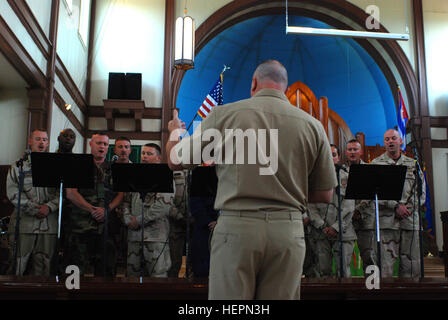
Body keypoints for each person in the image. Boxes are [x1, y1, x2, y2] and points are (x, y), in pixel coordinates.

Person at [166, 60, 336, 299]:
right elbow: (325, 194)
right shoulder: (313, 126)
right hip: (287, 231)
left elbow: (175, 160)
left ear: (254, 82)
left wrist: (174, 130)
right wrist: (287, 192)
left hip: (237, 229)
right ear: (285, 88)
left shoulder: (225, 115)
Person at [65, 133, 123, 276]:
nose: (102, 147)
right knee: (75, 270)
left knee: (106, 271)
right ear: (91, 144)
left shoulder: (114, 168)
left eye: (105, 144)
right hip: (80, 226)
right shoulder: (78, 165)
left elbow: (121, 194)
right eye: (98, 143)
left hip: (106, 227)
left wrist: (106, 210)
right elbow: (71, 193)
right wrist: (92, 209)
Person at [371, 129, 425, 277]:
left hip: (409, 221)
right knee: (385, 267)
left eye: (393, 138)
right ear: (384, 143)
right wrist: (394, 206)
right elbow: (372, 194)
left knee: (412, 267)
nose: (390, 142)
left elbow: (421, 193)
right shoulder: (376, 164)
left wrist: (406, 209)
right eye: (387, 139)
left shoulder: (413, 164)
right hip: (386, 222)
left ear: (400, 141)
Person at [7, 129, 59, 276]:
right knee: (17, 266)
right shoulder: (18, 166)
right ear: (30, 141)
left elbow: (62, 193)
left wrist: (49, 207)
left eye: (44, 139)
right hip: (24, 224)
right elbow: (12, 193)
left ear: (48, 143)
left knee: (43, 267)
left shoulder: (55, 167)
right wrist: (35, 209)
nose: (41, 142)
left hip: (48, 225)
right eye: (37, 139)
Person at [121, 143, 178, 277]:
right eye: (143, 153)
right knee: (132, 279)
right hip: (134, 237)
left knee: (158, 279)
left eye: (149, 154)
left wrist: (139, 220)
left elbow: (164, 206)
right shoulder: (133, 175)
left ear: (158, 158)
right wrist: (128, 218)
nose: (144, 156)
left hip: (155, 238)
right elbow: (125, 200)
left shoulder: (165, 175)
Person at [307, 144, 356, 278]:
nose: (330, 157)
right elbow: (310, 206)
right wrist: (322, 226)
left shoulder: (347, 177)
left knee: (344, 273)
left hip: (343, 232)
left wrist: (335, 227)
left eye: (333, 155)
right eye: (327, 154)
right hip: (320, 233)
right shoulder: (312, 178)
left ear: (338, 158)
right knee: (323, 272)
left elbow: (349, 206)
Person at [345, 139, 377, 274]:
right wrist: (350, 211)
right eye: (350, 150)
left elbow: (371, 193)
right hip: (347, 220)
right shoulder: (341, 172)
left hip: (366, 220)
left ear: (361, 152)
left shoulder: (369, 170)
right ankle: (347, 292)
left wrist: (358, 209)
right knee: (344, 258)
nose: (352, 152)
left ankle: (371, 290)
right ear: (346, 152)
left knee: (369, 257)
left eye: (355, 149)